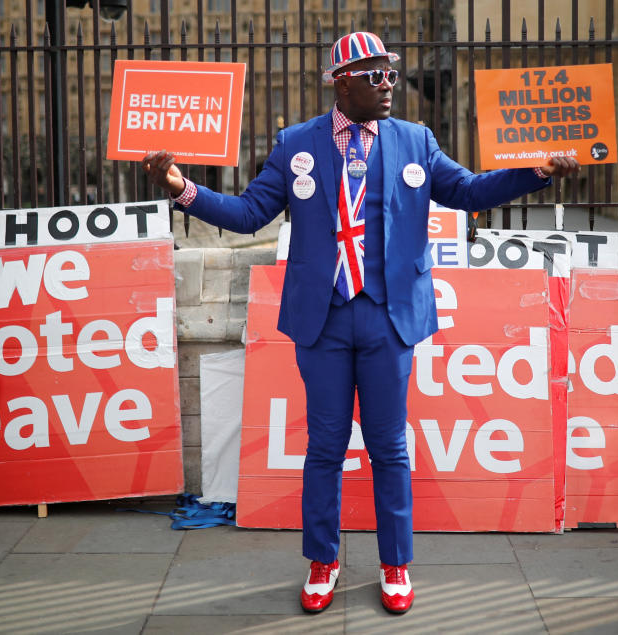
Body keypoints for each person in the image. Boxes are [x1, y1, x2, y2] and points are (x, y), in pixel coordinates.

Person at [142, 31, 580, 615]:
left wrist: (537, 172)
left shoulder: (415, 141)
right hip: (322, 321)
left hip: (388, 317)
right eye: (375, 75)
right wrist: (183, 189)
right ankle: (323, 563)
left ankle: (395, 565)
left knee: (389, 448)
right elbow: (249, 214)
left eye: (391, 74)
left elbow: (469, 190)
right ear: (341, 80)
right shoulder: (297, 144)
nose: (389, 84)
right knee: (323, 447)